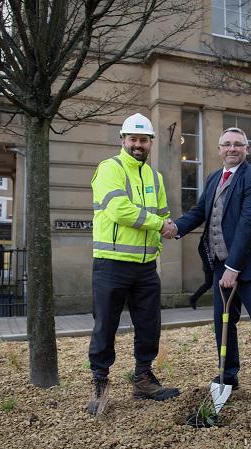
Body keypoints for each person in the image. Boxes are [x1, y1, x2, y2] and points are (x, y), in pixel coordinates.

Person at [169, 127, 251, 412]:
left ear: (247, 150)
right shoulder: (214, 178)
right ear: (219, 149)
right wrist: (176, 227)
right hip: (220, 267)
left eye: (238, 145)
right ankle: (229, 374)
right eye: (227, 144)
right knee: (223, 324)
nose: (232, 149)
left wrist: (233, 267)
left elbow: (250, 224)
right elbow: (201, 212)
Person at [87, 113, 180, 416]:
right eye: (133, 139)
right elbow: (119, 211)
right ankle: (100, 383)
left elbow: (164, 216)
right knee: (105, 325)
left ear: (151, 142)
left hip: (144, 266)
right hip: (111, 263)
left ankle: (143, 379)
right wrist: (158, 225)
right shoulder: (109, 169)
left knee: (149, 323)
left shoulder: (155, 177)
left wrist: (161, 237)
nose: (138, 145)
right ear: (123, 140)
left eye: (143, 140)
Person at [188, 237, 213, 310]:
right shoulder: (206, 241)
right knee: (209, 284)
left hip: (209, 267)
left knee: (208, 284)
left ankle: (193, 298)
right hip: (210, 267)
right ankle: (193, 298)